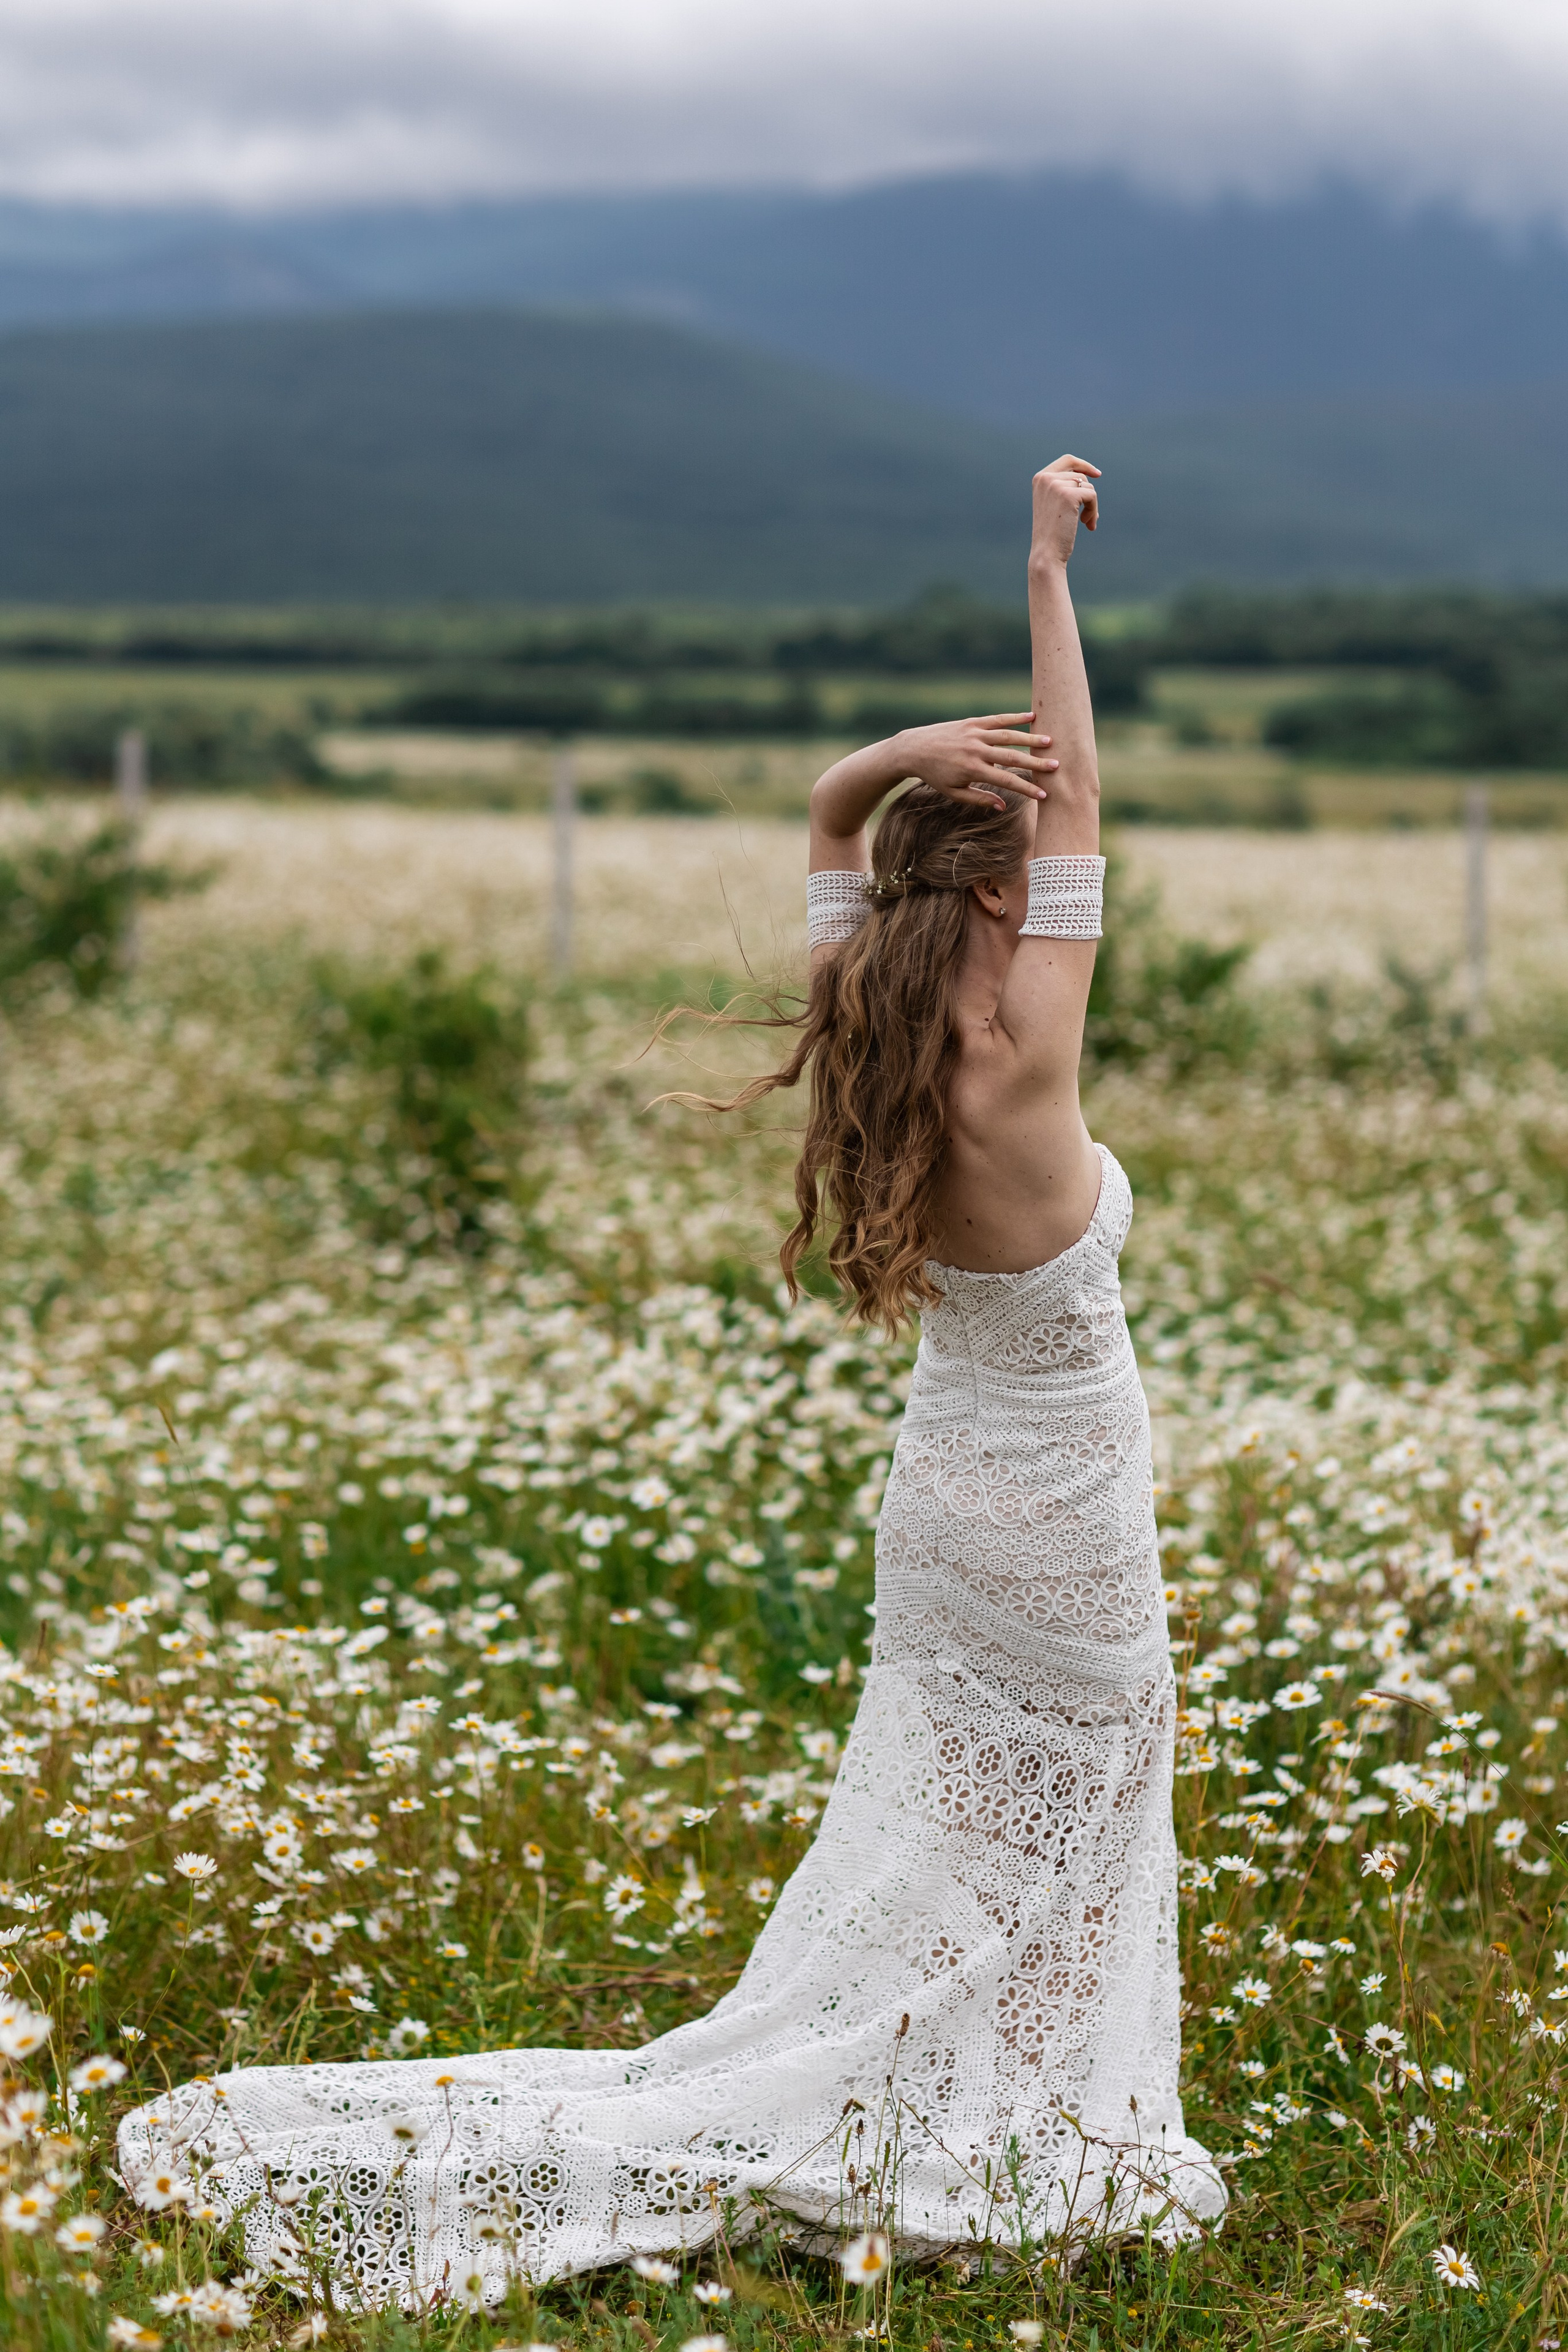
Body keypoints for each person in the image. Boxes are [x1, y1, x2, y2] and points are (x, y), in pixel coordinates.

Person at [118, 458, 1225, 2303]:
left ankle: (963, 2114)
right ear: (1020, 896)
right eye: (1046, 875)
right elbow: (1083, 783)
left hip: (941, 1509)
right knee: (1094, 1809)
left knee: (947, 1826)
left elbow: (828, 821)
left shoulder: (870, 1013)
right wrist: (1044, 569)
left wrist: (877, 761)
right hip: (1066, 1505)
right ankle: (1045, 2130)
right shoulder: (1031, 1048)